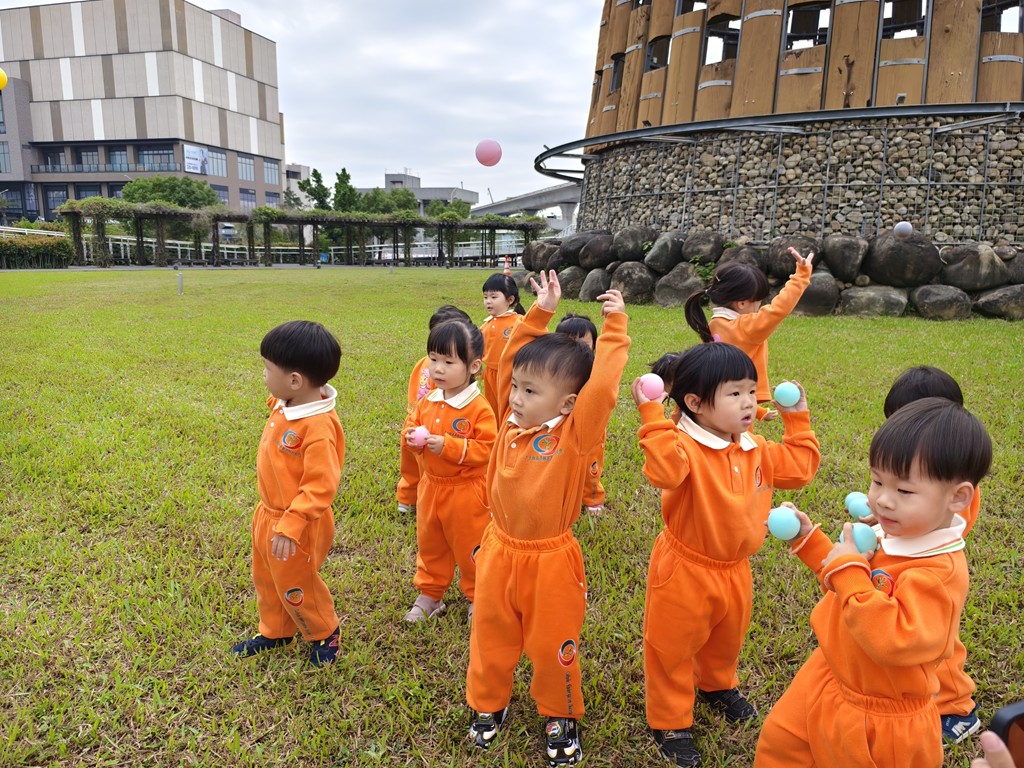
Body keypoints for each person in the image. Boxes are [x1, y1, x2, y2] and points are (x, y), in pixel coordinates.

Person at [754, 397, 992, 768]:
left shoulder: (939, 573)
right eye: (877, 481)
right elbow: (851, 587)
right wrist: (809, 540)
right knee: (779, 749)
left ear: (958, 497)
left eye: (904, 491)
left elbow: (893, 639)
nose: (882, 500)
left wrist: (849, 569)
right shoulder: (894, 534)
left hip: (880, 718)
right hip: (826, 675)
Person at [465, 271, 630, 766]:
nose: (516, 397)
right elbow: (508, 359)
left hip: (551, 561)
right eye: (516, 388)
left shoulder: (573, 436)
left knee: (553, 643)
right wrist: (541, 311)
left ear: (568, 403)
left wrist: (615, 326)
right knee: (490, 633)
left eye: (530, 391)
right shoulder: (509, 419)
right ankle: (488, 702)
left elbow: (604, 386)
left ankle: (560, 714)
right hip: (499, 549)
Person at [632, 341, 821, 767]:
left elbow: (800, 469)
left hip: (735, 569)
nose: (749, 402)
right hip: (685, 569)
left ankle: (716, 685)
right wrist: (652, 416)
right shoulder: (682, 446)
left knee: (726, 638)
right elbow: (663, 472)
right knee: (671, 648)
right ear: (695, 403)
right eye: (734, 393)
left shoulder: (755, 447)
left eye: (751, 391)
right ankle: (670, 720)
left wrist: (797, 417)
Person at [230, 320, 345, 666]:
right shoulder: (288, 402)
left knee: (297, 583)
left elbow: (320, 486)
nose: (264, 375)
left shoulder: (318, 428)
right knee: (267, 578)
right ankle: (276, 630)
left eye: (268, 369)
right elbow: (279, 401)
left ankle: (324, 632)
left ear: (295, 380)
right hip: (268, 515)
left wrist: (292, 523)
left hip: (297, 525)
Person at [883, 365, 981, 743]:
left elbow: (942, 527)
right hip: (904, 564)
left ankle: (958, 708)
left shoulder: (952, 485)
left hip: (932, 571)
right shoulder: (908, 470)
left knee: (941, 647)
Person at [403, 320, 496, 623]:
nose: (438, 369)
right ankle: (431, 594)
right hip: (431, 487)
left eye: (448, 361)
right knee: (431, 543)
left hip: (467, 492)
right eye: (433, 359)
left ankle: (479, 596)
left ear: (474, 366)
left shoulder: (479, 408)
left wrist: (448, 446)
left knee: (471, 547)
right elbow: (412, 427)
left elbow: (487, 449)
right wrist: (411, 437)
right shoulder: (427, 401)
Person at [684, 248, 813, 422]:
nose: (760, 306)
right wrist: (802, 275)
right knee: (741, 437)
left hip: (715, 401)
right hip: (740, 404)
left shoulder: (714, 325)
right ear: (742, 303)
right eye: (759, 301)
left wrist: (758, 411)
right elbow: (779, 308)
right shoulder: (747, 328)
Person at [396, 305, 473, 516]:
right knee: (421, 467)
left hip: (419, 421)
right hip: (424, 425)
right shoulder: (434, 369)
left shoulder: (429, 363)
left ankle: (408, 497)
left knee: (414, 466)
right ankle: (413, 498)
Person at [555, 313, 606, 513]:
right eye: (568, 342)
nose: (575, 348)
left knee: (590, 467)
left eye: (583, 343)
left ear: (594, 346)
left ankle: (592, 498)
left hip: (589, 429)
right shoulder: (551, 368)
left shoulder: (596, 370)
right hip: (561, 426)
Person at [480, 273, 526, 415]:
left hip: (511, 374)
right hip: (490, 374)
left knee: (509, 407)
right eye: (485, 297)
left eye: (494, 297)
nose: (488, 301)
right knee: (492, 407)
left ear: (510, 300)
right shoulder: (485, 326)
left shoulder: (519, 322)